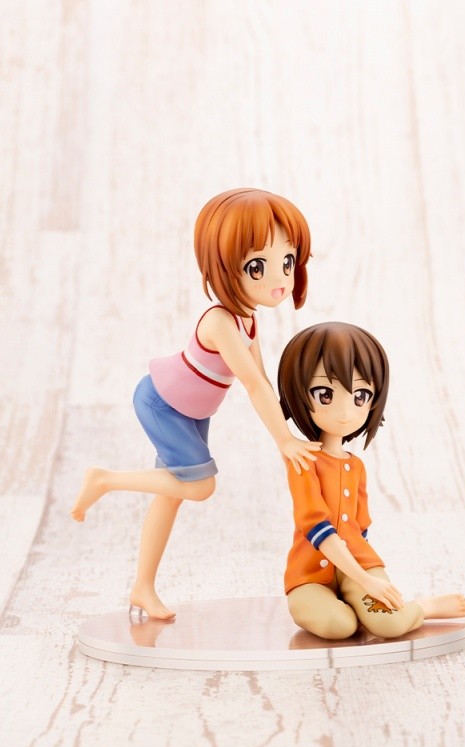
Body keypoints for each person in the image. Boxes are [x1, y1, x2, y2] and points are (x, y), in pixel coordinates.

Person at [71, 188, 321, 620]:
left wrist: (287, 437)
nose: (279, 277)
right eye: (256, 266)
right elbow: (252, 385)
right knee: (200, 487)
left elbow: (262, 381)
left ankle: (142, 588)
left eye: (287, 260)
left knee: (171, 494)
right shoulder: (221, 322)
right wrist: (284, 441)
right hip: (162, 405)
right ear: (222, 266)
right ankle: (105, 480)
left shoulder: (247, 319)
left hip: (191, 413)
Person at [277, 321, 465, 640]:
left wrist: (364, 578)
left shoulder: (357, 466)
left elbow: (360, 527)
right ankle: (352, 606)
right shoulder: (302, 460)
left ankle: (424, 607)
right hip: (309, 575)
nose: (345, 411)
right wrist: (366, 583)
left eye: (360, 395)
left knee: (390, 624)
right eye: (324, 393)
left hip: (358, 566)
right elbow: (316, 527)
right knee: (339, 625)